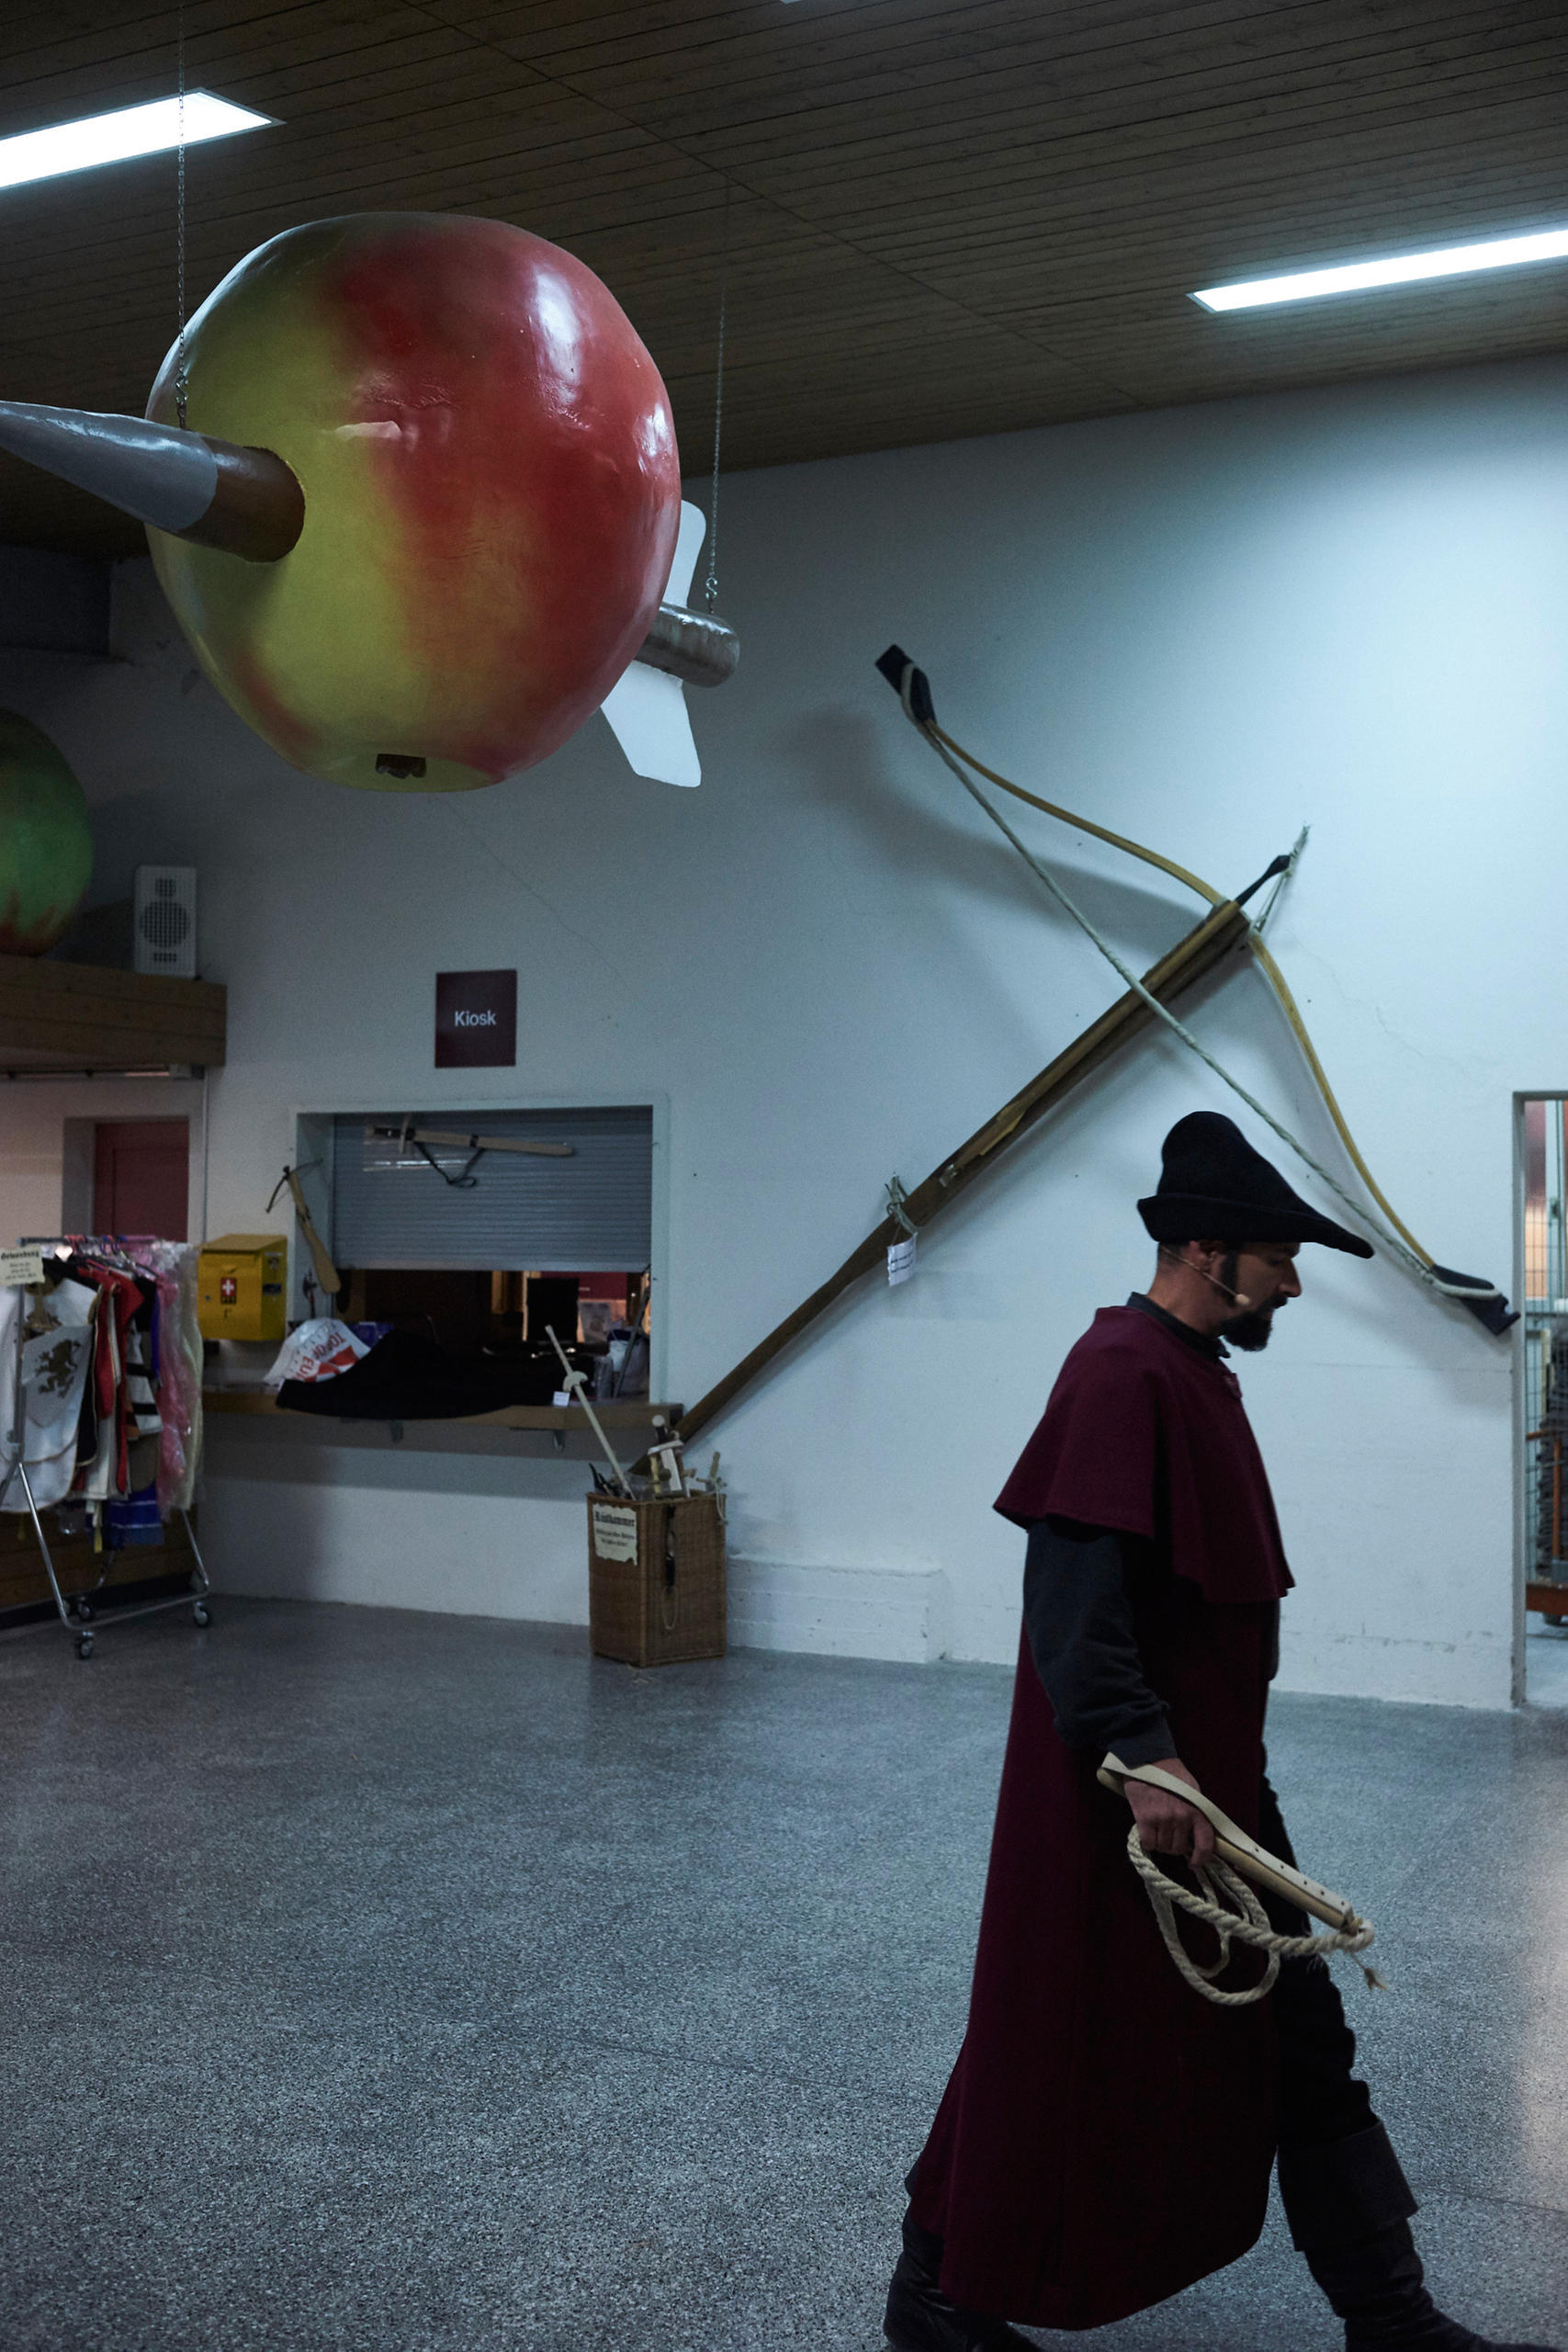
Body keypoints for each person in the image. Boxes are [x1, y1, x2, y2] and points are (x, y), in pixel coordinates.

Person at [884, 1112, 1557, 2352]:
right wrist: (1147, 1763)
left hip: (1214, 1791)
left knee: (1296, 2035)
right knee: (1047, 2032)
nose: (1292, 1281)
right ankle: (934, 2296)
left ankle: (1391, 2320)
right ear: (1206, 1251)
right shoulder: (1119, 1373)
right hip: (1137, 1795)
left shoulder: (1188, 1371)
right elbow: (1074, 1611)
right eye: (1276, 1259)